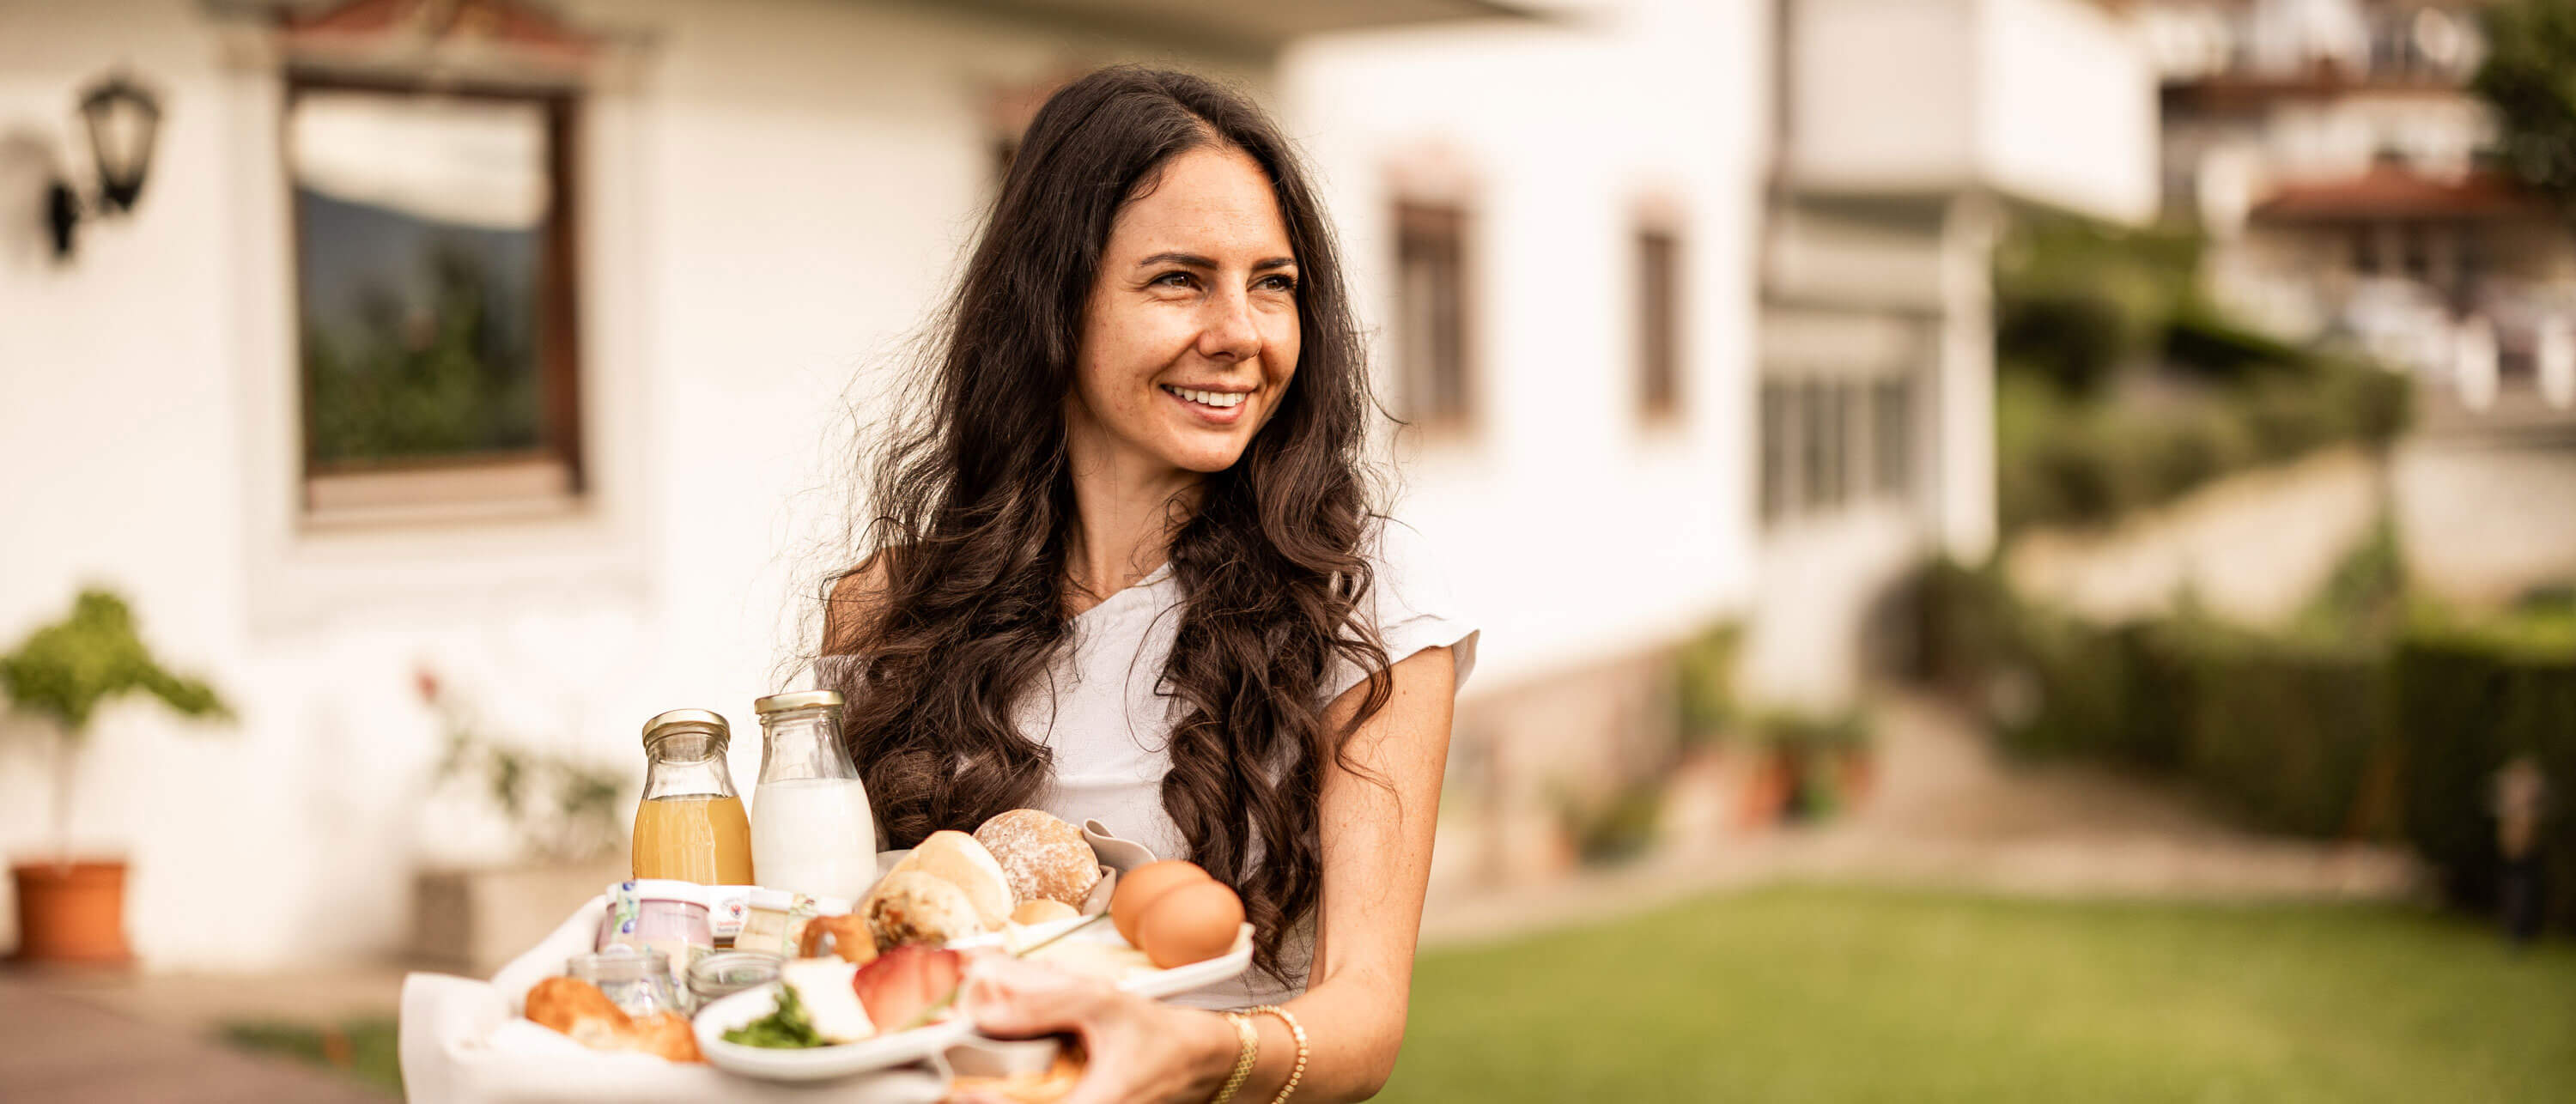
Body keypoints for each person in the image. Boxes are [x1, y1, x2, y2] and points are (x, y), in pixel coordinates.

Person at [816, 66, 1478, 1103]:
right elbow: (845, 935)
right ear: (1054, 302)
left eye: (1273, 282)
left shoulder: (1363, 598)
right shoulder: (893, 606)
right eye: (1180, 279)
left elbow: (1364, 1013)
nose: (1243, 333)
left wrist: (1202, 1051)